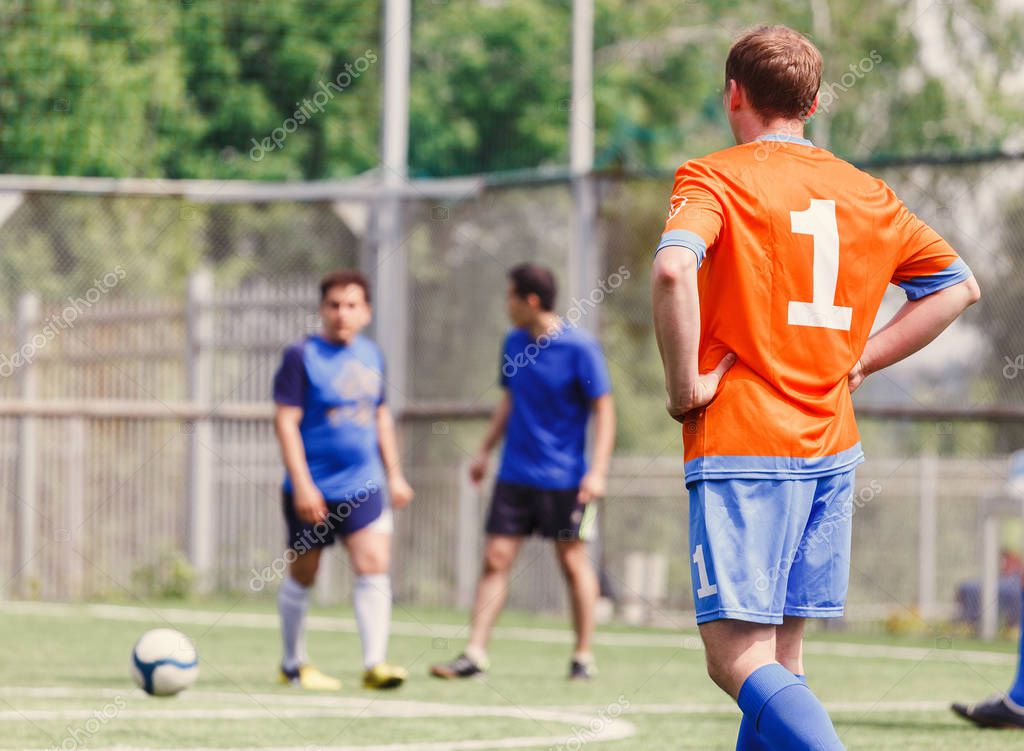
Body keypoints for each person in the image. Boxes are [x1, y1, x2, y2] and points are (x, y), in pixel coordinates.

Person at [650, 25, 980, 750]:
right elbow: (958, 286)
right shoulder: (867, 192)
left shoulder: (715, 176)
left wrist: (684, 386)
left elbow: (674, 268)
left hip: (743, 440)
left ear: (734, 93)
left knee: (735, 658)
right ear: (814, 103)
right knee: (782, 661)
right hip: (831, 446)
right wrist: (862, 360)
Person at [430, 263, 615, 681]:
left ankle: (583, 657)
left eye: (510, 296)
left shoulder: (581, 348)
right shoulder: (514, 343)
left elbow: (604, 410)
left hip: (567, 478)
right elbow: (509, 401)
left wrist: (597, 470)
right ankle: (474, 654)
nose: (506, 305)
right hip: (515, 473)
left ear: (531, 301)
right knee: (495, 559)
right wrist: (483, 451)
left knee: (572, 563)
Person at [271, 269, 414, 690]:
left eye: (351, 305)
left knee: (373, 566)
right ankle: (293, 665)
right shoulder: (301, 356)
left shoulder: (372, 355)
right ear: (322, 309)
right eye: (333, 305)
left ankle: (375, 664)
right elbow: (286, 421)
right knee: (304, 574)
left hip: (364, 483)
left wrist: (395, 474)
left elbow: (381, 417)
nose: (341, 313)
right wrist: (302, 483)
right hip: (313, 488)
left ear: (366, 312)